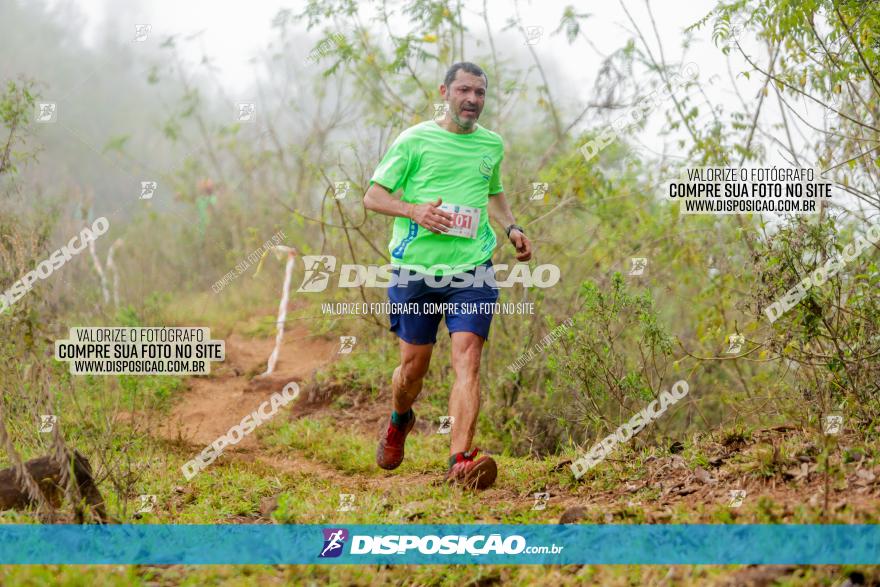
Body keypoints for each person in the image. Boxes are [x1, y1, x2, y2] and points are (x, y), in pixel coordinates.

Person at [363, 62, 532, 489]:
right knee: (412, 371)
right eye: (464, 91)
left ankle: (460, 460)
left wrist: (511, 227)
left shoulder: (491, 145)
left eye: (479, 93)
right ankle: (400, 418)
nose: (472, 100)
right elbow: (372, 196)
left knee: (468, 359)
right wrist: (414, 210)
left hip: (472, 269)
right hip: (415, 271)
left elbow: (492, 191)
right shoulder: (415, 139)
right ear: (445, 91)